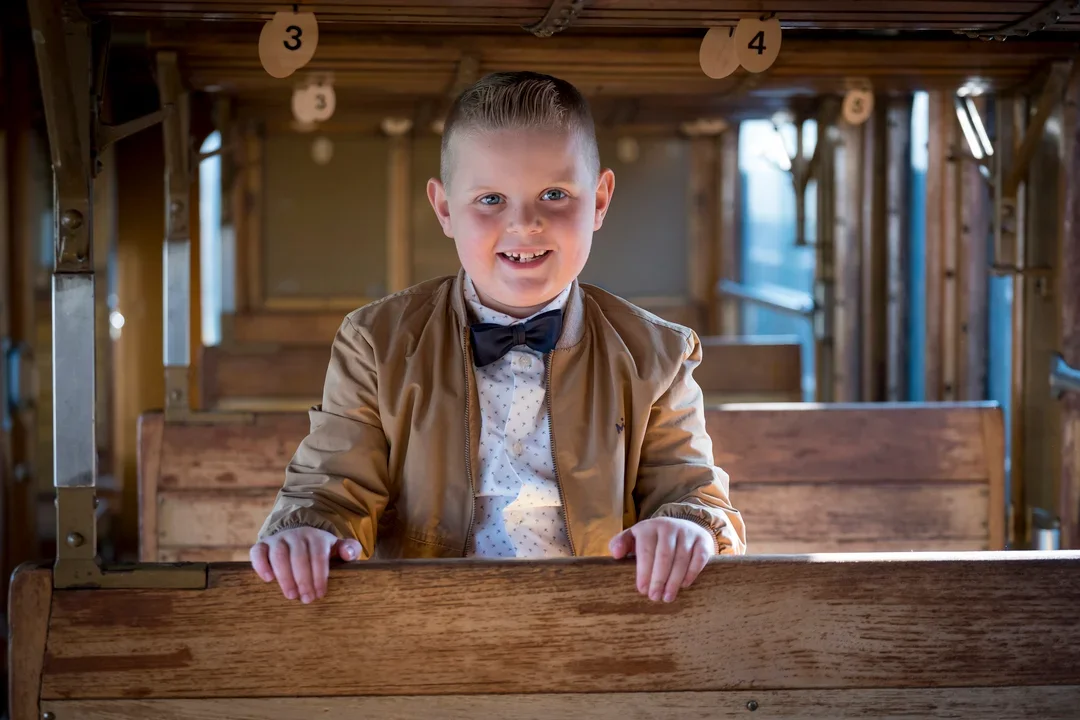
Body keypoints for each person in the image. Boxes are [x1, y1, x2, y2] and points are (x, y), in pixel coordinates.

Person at [249, 70, 745, 605]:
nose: (525, 224)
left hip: (602, 620)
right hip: (427, 623)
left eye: (554, 194)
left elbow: (690, 490)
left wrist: (685, 527)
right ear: (444, 209)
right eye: (490, 199)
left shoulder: (658, 355)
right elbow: (329, 486)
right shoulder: (373, 344)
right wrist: (311, 531)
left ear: (599, 200)